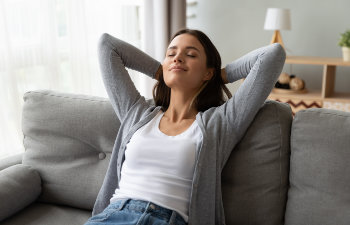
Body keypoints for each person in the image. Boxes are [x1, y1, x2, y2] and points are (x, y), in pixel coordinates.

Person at [84, 29, 286, 225]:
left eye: (190, 55)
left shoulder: (221, 122)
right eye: (171, 53)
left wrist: (219, 76)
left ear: (207, 72)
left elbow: (272, 54)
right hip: (113, 216)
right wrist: (160, 71)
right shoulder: (136, 113)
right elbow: (107, 46)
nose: (177, 58)